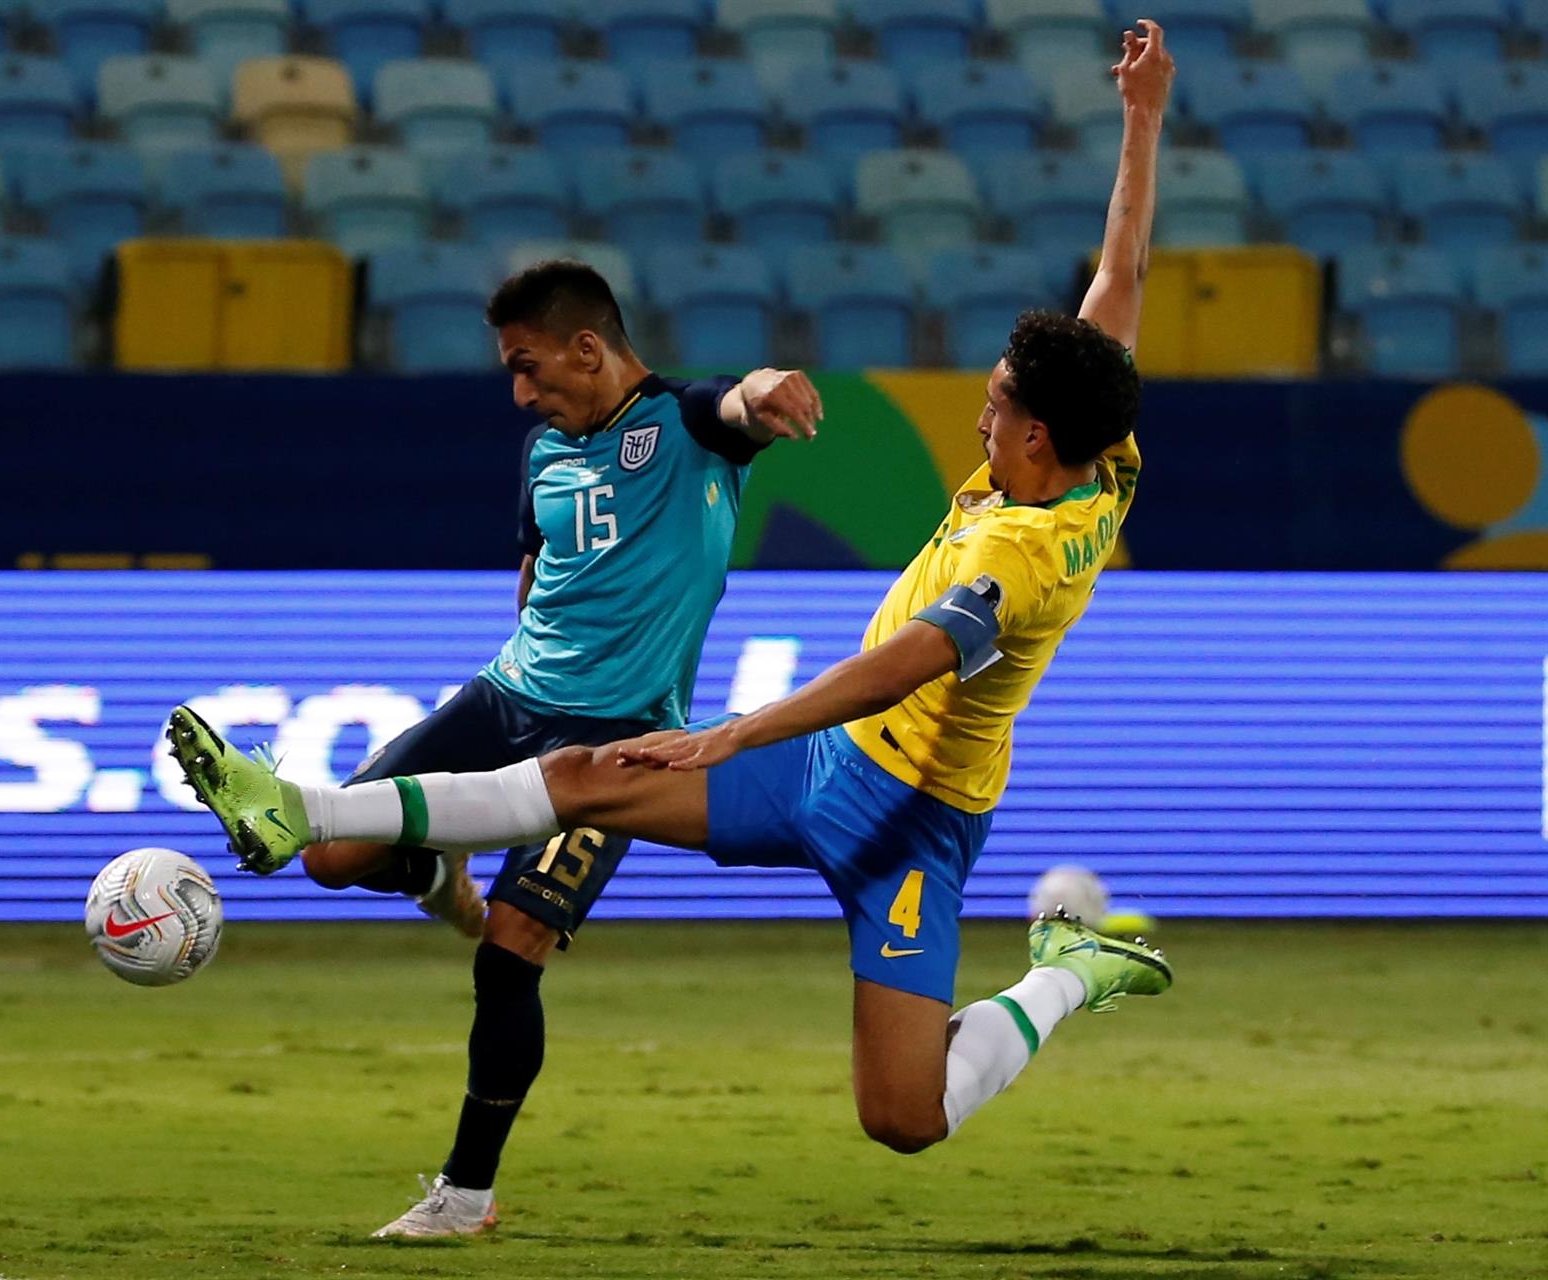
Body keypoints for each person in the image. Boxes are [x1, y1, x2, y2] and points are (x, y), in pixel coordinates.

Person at [168, 17, 1180, 1225]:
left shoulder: (1029, 549)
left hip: (915, 815)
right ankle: (303, 806)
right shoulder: (1092, 450)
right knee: (586, 775)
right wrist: (1142, 118)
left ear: (1031, 438)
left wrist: (730, 735)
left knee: (903, 1116)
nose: (979, 410)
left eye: (996, 403)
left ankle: (1066, 974)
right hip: (825, 763)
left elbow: (902, 665)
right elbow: (1117, 284)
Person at [193, 258, 823, 1236]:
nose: (521, 392)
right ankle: (436, 868)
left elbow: (730, 405)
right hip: (504, 695)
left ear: (587, 346)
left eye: (529, 367)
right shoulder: (542, 454)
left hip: (618, 733)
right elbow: (536, 577)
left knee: (512, 947)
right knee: (327, 857)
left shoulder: (682, 427)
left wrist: (765, 385)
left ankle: (466, 1194)